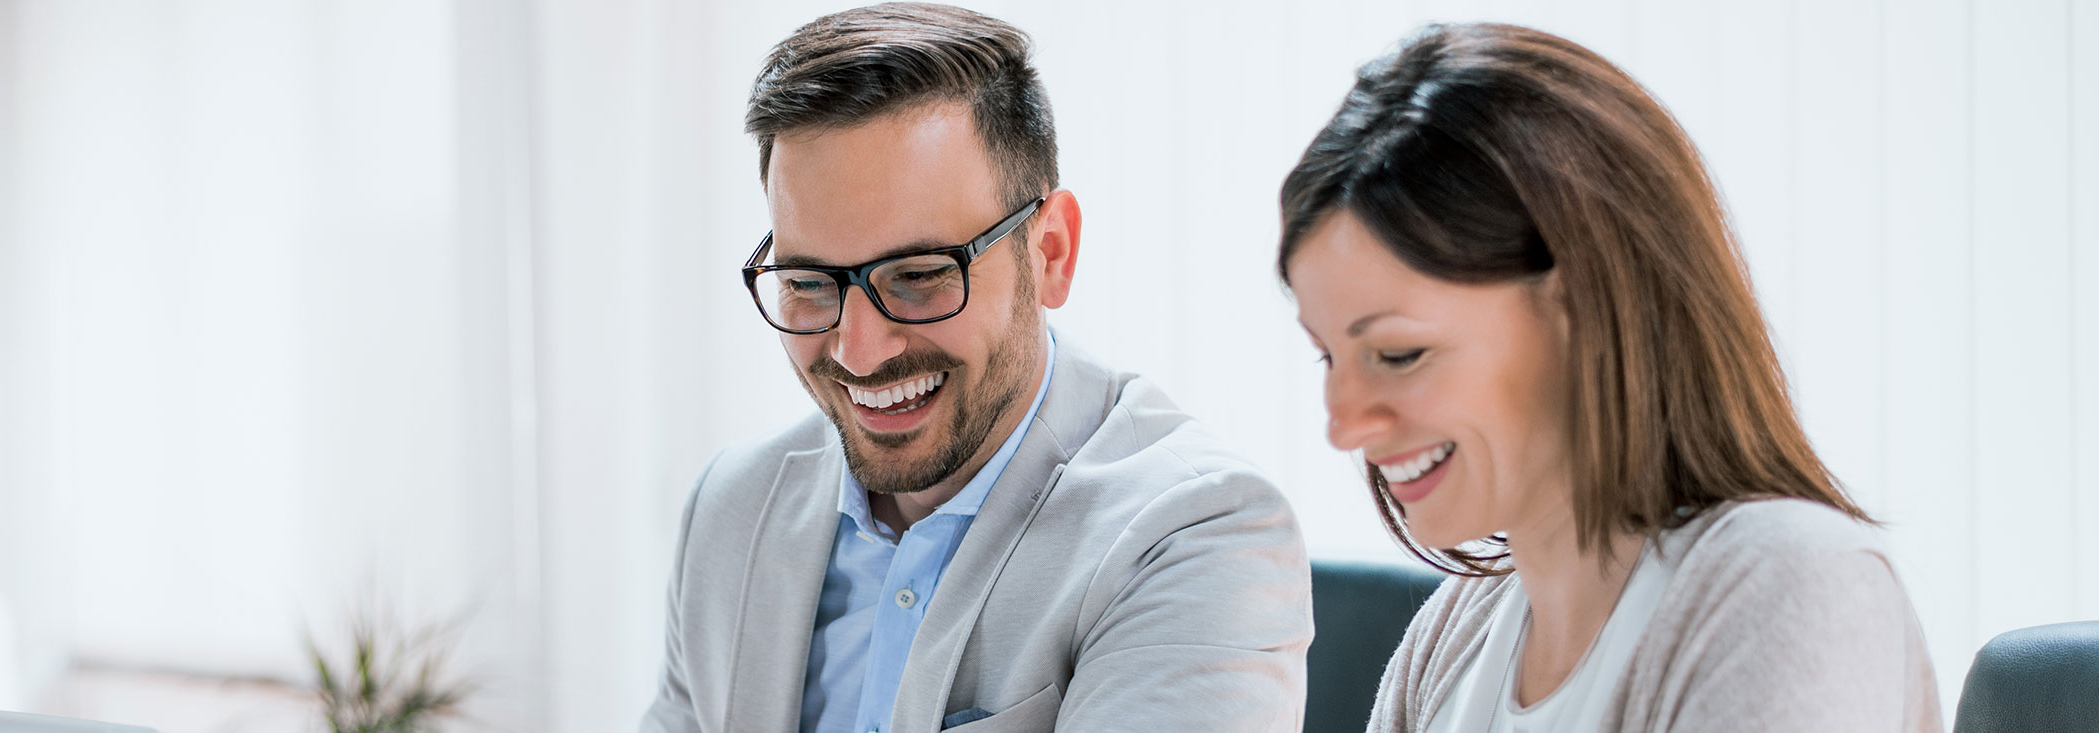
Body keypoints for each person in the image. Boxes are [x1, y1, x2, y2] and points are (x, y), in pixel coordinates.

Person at [641, 4, 1311, 732]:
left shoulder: (1196, 534)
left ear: (1049, 251)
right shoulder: (732, 507)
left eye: (918, 275)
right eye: (807, 283)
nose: (857, 351)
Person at [1277, 23, 1940, 732]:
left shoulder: (1794, 587)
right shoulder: (1454, 636)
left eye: (1399, 353)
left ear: (1584, 308)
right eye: (1327, 356)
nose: (1343, 423)